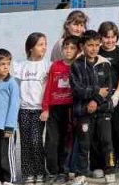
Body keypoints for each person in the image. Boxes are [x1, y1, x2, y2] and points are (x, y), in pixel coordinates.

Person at [70, 30, 118, 184]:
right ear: (82, 46)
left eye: (97, 45)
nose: (94, 48)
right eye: (90, 45)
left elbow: (108, 89)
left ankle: (109, 170)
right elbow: (78, 89)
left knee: (106, 141)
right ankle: (81, 174)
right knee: (84, 144)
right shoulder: (76, 65)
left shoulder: (104, 63)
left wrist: (95, 101)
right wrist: (97, 92)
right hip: (84, 112)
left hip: (103, 111)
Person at [41, 36, 78, 182]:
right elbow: (48, 88)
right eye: (66, 47)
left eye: (72, 48)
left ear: (78, 50)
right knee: (52, 141)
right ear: (61, 49)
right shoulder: (55, 66)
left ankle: (64, 170)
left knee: (67, 141)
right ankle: (52, 171)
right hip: (55, 109)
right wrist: (45, 108)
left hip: (70, 109)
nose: (68, 51)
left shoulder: (78, 66)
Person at [14, 33, 49, 185]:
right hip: (23, 109)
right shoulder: (20, 65)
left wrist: (46, 109)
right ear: (30, 48)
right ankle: (28, 173)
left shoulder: (48, 65)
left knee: (36, 141)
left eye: (45, 44)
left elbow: (48, 90)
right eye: (40, 44)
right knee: (26, 142)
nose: (44, 47)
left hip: (39, 110)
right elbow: (15, 88)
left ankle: (40, 171)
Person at [95, 23, 119, 171]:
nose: (109, 40)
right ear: (101, 38)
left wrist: (117, 95)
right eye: (106, 37)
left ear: (116, 37)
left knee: (116, 129)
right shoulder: (97, 51)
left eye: (112, 37)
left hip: (116, 96)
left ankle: (114, 159)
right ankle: (99, 162)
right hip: (99, 97)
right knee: (99, 131)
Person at [0, 49, 21, 185]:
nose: (6, 67)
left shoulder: (11, 83)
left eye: (8, 64)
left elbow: (14, 106)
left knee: (6, 155)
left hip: (6, 127)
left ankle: (8, 179)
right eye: (2, 64)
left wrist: (9, 127)